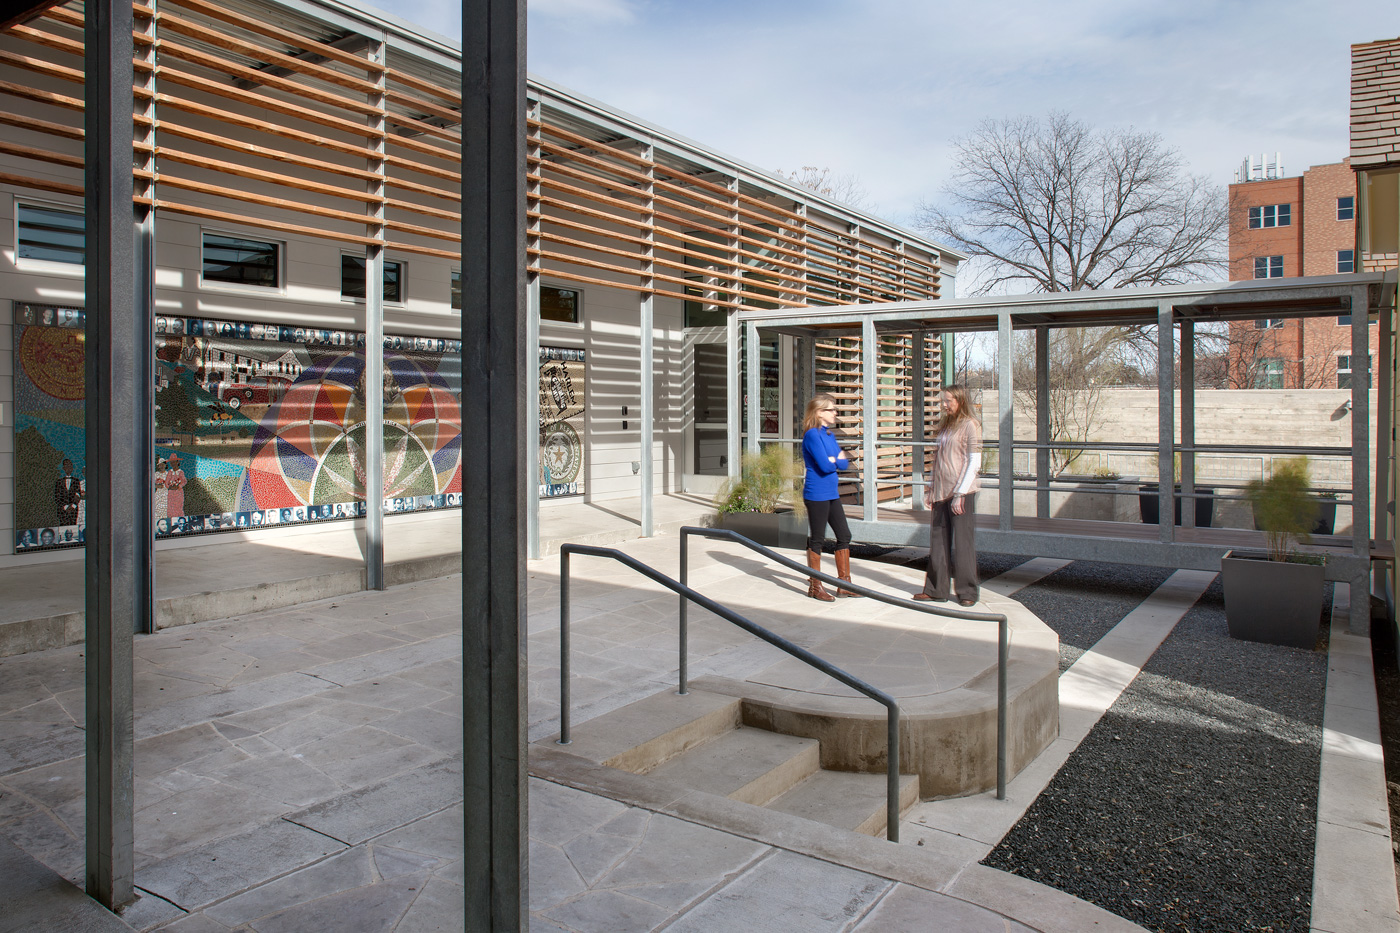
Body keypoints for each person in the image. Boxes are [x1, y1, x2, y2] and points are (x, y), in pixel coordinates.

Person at [915, 385, 982, 607]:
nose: (944, 405)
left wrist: (960, 494)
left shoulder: (971, 425)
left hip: (961, 492)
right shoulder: (945, 426)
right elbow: (939, 460)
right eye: (943, 400)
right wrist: (931, 488)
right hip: (941, 491)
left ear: (960, 401)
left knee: (963, 543)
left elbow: (974, 462)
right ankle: (936, 590)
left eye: (948, 401)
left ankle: (967, 592)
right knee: (938, 542)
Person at [800, 393, 862, 601]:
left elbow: (843, 464)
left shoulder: (829, 435)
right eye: (831, 409)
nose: (836, 412)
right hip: (816, 494)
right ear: (819, 412)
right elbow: (826, 466)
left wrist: (833, 459)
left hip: (831, 493)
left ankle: (844, 584)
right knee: (817, 539)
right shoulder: (812, 435)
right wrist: (835, 459)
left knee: (844, 535)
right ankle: (815, 586)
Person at [54, 459, 82, 525]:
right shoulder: (59, 482)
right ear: (63, 468)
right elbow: (57, 496)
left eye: (70, 466)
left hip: (73, 511)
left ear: (72, 468)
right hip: (62, 511)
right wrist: (65, 506)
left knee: (73, 525)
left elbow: (78, 494)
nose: (68, 468)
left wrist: (73, 505)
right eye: (66, 466)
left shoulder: (76, 481)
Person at [165, 452, 187, 518]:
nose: (173, 464)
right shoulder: (170, 472)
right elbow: (166, 482)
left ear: (177, 462)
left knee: (178, 506)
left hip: (178, 492)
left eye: (174, 462)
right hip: (171, 492)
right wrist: (170, 487)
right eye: (171, 462)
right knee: (171, 507)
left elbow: (184, 481)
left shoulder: (180, 472)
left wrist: (178, 486)